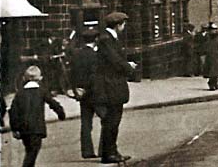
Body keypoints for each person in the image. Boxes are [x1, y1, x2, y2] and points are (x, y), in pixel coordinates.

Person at [93, 11, 135, 164]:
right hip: (110, 86)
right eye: (123, 24)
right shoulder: (107, 40)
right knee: (112, 121)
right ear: (118, 25)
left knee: (113, 121)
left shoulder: (109, 39)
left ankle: (112, 151)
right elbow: (115, 61)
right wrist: (128, 67)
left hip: (112, 86)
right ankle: (108, 153)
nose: (124, 27)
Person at [9, 65, 66, 167]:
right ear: (40, 78)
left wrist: (14, 128)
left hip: (24, 128)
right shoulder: (41, 91)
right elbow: (53, 103)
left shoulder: (20, 93)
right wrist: (61, 113)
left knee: (29, 150)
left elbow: (13, 111)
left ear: (24, 78)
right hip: (37, 127)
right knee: (32, 152)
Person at [70, 27, 101, 159]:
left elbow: (72, 74)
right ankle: (104, 149)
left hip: (82, 93)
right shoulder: (95, 56)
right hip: (95, 93)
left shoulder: (76, 54)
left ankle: (87, 151)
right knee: (106, 120)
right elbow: (94, 76)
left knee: (86, 123)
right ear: (96, 39)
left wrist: (76, 90)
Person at [202, 24, 218, 91]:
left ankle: (214, 83)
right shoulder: (207, 38)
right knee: (211, 72)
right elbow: (204, 47)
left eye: (214, 30)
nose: (213, 31)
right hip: (209, 57)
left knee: (215, 73)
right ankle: (211, 84)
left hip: (217, 58)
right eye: (211, 30)